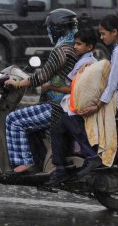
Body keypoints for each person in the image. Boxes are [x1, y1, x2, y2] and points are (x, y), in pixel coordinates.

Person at [48, 14, 118, 184]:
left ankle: (86, 156)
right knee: (68, 116)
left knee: (68, 117)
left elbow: (112, 85)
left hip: (117, 102)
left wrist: (96, 106)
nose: (102, 37)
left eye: (103, 34)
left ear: (114, 32)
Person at [4, 8, 78, 173]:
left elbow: (42, 77)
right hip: (66, 105)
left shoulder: (61, 51)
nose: (48, 31)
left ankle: (23, 163)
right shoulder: (73, 48)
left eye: (50, 27)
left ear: (57, 29)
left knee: (13, 120)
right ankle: (39, 162)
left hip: (56, 107)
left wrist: (17, 84)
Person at [46, 27, 99, 185]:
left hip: (76, 107)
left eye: (79, 44)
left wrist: (50, 86)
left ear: (89, 47)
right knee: (61, 130)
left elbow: (72, 88)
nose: (75, 47)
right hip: (80, 104)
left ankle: (66, 166)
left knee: (61, 130)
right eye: (75, 43)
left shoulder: (85, 63)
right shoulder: (90, 61)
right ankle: (64, 167)